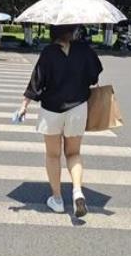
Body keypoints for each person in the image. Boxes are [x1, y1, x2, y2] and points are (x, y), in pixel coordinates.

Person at [16, 24, 102, 217]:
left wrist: (24, 106)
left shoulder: (48, 53)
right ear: (72, 30)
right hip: (78, 107)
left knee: (53, 155)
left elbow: (36, 83)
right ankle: (77, 191)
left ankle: (57, 199)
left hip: (51, 110)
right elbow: (94, 75)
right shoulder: (83, 50)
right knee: (74, 154)